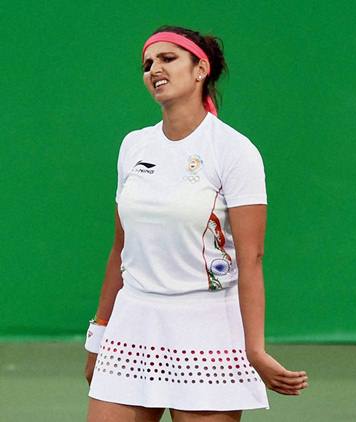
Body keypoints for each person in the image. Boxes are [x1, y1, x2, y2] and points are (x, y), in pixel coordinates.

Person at [84, 26, 308, 421]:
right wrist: (98, 336)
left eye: (168, 59)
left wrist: (254, 350)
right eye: (147, 64)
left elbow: (251, 259)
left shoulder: (235, 152)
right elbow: (121, 249)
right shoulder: (133, 145)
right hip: (132, 325)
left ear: (200, 68)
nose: (154, 69)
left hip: (208, 329)